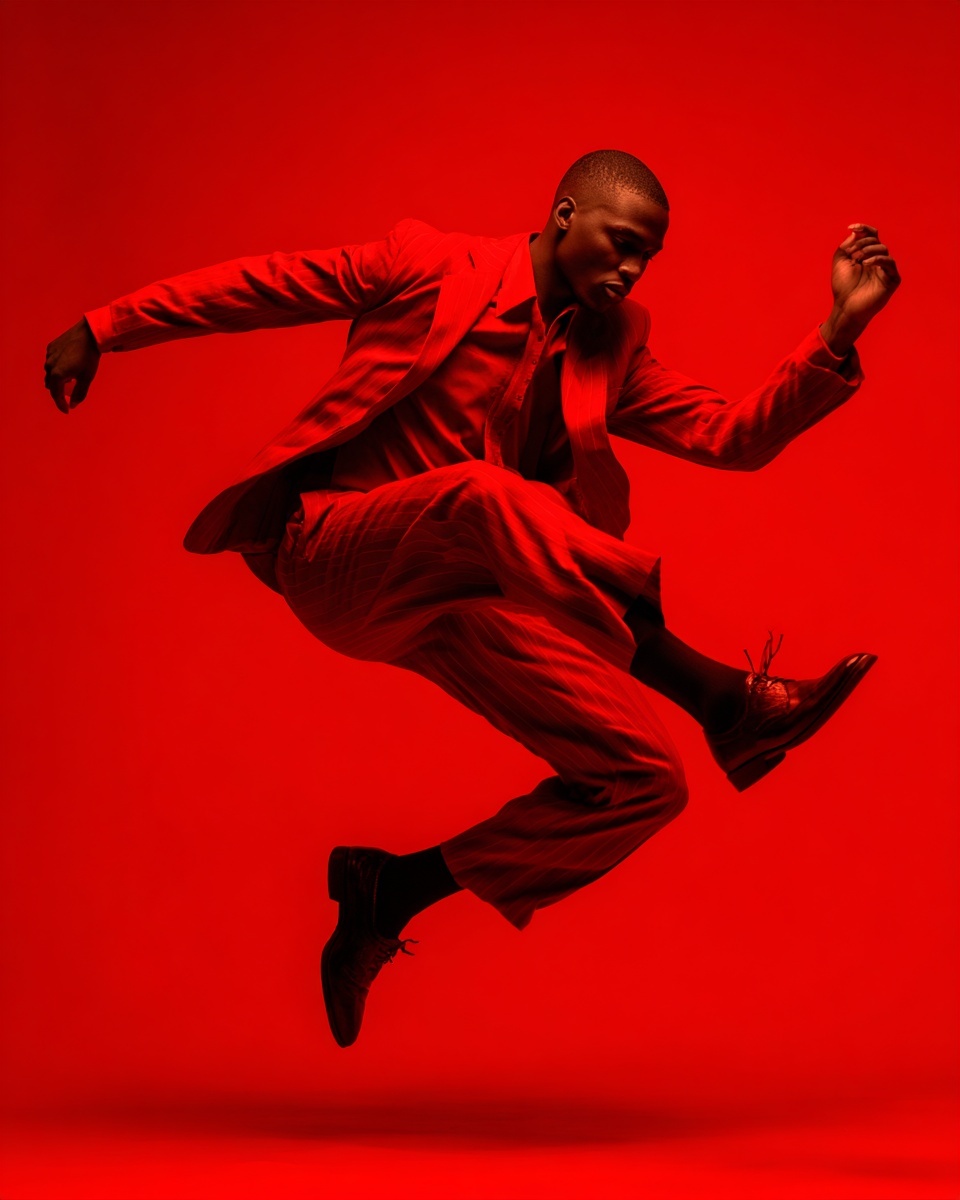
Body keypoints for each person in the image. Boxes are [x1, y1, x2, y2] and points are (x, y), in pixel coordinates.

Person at [43, 150, 900, 1049]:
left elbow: (729, 437)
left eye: (648, 256)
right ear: (565, 215)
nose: (631, 270)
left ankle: (391, 891)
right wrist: (105, 327)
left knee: (647, 778)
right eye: (619, 244)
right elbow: (262, 286)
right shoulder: (426, 264)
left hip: (456, 600)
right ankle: (722, 698)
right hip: (337, 552)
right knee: (483, 495)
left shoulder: (613, 341)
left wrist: (835, 334)